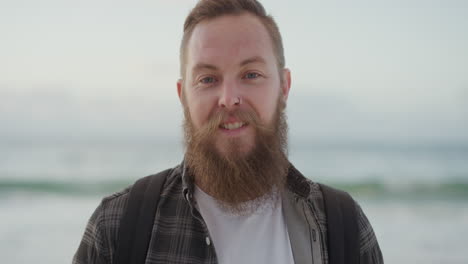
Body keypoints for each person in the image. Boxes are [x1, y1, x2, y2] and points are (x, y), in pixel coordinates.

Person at [73, 0, 383, 263]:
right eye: (208, 79)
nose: (229, 98)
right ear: (183, 95)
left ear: (284, 87)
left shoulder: (343, 228)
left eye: (251, 74)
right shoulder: (117, 226)